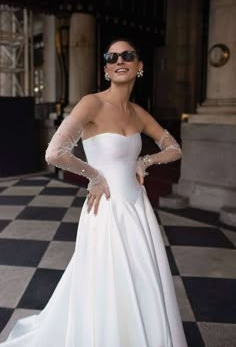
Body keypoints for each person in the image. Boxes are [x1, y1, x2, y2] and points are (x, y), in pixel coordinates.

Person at [0, 38, 188, 347]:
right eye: (112, 56)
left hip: (137, 209)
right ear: (106, 69)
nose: (119, 60)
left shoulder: (139, 113)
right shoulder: (92, 103)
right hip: (106, 209)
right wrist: (94, 176)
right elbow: (55, 152)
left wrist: (146, 160)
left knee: (142, 279)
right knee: (107, 281)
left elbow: (174, 148)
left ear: (139, 66)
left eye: (127, 54)